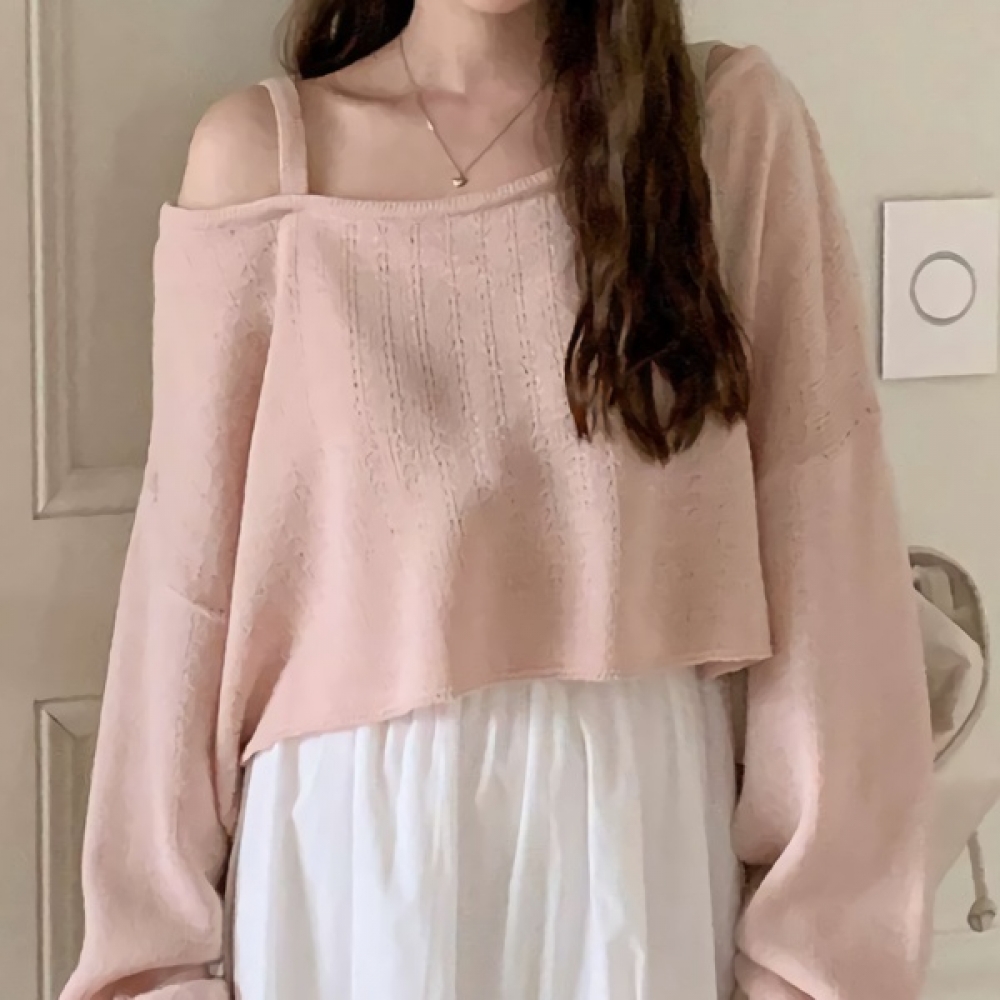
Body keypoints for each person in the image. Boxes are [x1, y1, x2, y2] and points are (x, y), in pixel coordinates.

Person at [61, 2, 934, 999]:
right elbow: (184, 597)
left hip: (632, 851)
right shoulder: (261, 163)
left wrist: (811, 966)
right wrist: (152, 964)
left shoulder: (719, 130)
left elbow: (830, 556)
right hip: (348, 872)